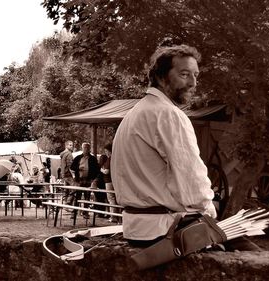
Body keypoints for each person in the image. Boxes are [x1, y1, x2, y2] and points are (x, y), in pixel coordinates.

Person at [111, 44, 259, 251]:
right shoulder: (168, 114)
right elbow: (191, 177)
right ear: (162, 77)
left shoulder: (136, 113)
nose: (193, 83)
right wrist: (209, 213)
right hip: (166, 230)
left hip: (138, 230)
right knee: (254, 256)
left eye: (196, 75)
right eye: (184, 74)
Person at [70, 142, 100, 219]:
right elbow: (72, 167)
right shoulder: (78, 157)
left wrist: (93, 179)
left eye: (87, 148)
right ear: (82, 148)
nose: (86, 149)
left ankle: (85, 213)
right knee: (77, 196)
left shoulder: (92, 158)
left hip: (88, 180)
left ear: (89, 149)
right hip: (79, 180)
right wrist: (78, 168)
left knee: (87, 197)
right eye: (84, 148)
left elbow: (97, 169)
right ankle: (74, 212)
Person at [99, 143, 120, 223]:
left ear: (108, 151)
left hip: (109, 181)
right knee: (114, 198)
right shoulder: (116, 158)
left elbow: (106, 171)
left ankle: (113, 216)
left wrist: (101, 169)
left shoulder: (110, 159)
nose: (105, 152)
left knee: (111, 198)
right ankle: (116, 216)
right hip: (115, 180)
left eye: (106, 151)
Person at [59, 140, 74, 205]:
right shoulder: (69, 154)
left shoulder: (62, 154)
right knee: (74, 187)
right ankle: (68, 202)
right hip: (68, 174)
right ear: (66, 146)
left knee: (66, 189)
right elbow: (70, 165)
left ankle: (65, 203)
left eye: (72, 145)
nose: (72, 146)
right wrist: (73, 174)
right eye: (70, 145)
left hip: (63, 174)